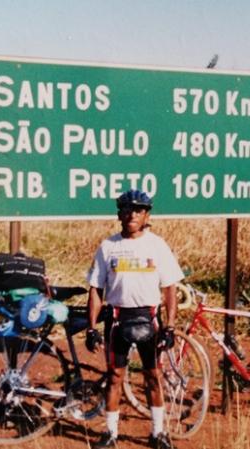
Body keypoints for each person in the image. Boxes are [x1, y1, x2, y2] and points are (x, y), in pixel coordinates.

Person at [86, 189, 184, 449]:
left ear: (147, 215)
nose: (132, 215)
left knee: (153, 376)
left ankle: (158, 432)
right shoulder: (108, 247)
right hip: (117, 319)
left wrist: (170, 326)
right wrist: (91, 327)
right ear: (119, 213)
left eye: (138, 210)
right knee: (115, 376)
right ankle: (110, 433)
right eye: (127, 209)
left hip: (149, 318)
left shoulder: (157, 245)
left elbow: (170, 287)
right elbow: (95, 290)